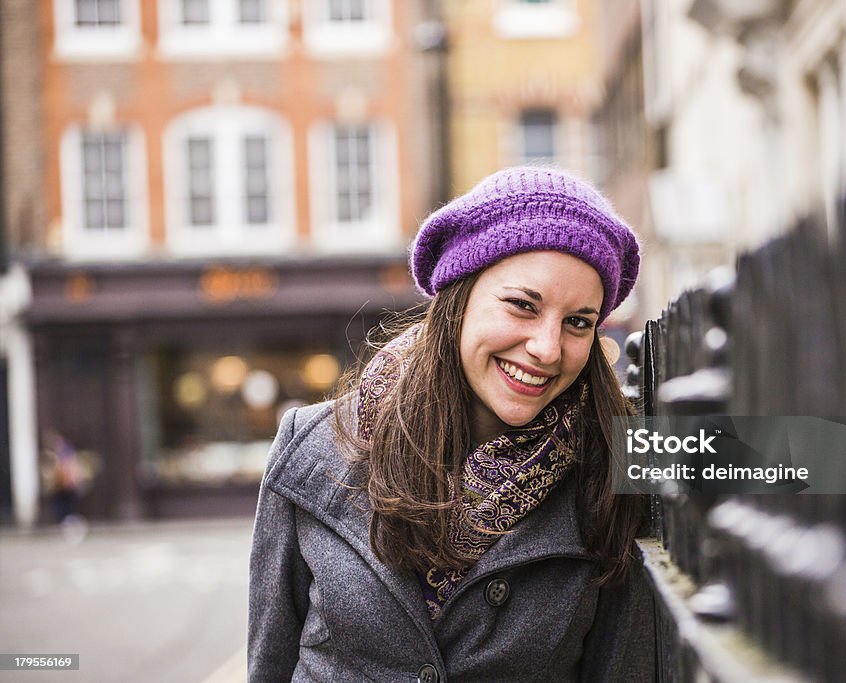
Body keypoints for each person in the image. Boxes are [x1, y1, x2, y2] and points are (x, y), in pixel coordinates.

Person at [248, 166, 655, 682]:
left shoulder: (614, 451)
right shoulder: (313, 445)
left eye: (578, 321)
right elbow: (269, 663)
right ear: (457, 301)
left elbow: (781, 458)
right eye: (522, 305)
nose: (548, 348)